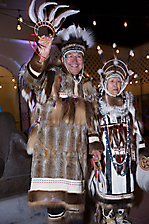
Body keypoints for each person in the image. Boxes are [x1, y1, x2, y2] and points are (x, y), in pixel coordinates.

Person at [21, 19, 103, 223]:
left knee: (75, 213)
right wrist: (42, 54)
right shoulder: (51, 77)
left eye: (79, 56)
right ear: (63, 58)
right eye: (70, 56)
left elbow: (91, 124)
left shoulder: (88, 85)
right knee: (55, 212)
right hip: (50, 161)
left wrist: (94, 147)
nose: (75, 60)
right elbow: (32, 79)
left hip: (75, 161)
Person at [88, 45, 149, 224]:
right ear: (105, 83)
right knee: (108, 188)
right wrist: (94, 148)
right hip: (107, 156)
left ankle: (121, 216)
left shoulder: (129, 104)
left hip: (126, 155)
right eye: (112, 82)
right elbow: (92, 130)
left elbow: (136, 129)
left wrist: (141, 150)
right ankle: (108, 219)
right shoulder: (98, 105)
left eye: (119, 82)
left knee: (125, 187)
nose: (116, 85)